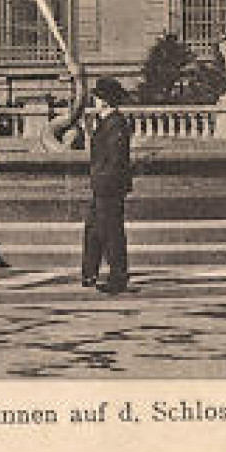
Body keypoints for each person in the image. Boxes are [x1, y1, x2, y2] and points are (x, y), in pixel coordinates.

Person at [82, 77, 134, 295]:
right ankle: (89, 273)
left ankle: (117, 277)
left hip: (109, 187)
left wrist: (102, 181)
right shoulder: (106, 122)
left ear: (104, 100)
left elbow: (115, 159)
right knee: (94, 229)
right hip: (102, 186)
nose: (94, 100)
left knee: (111, 232)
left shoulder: (116, 123)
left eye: (97, 96)